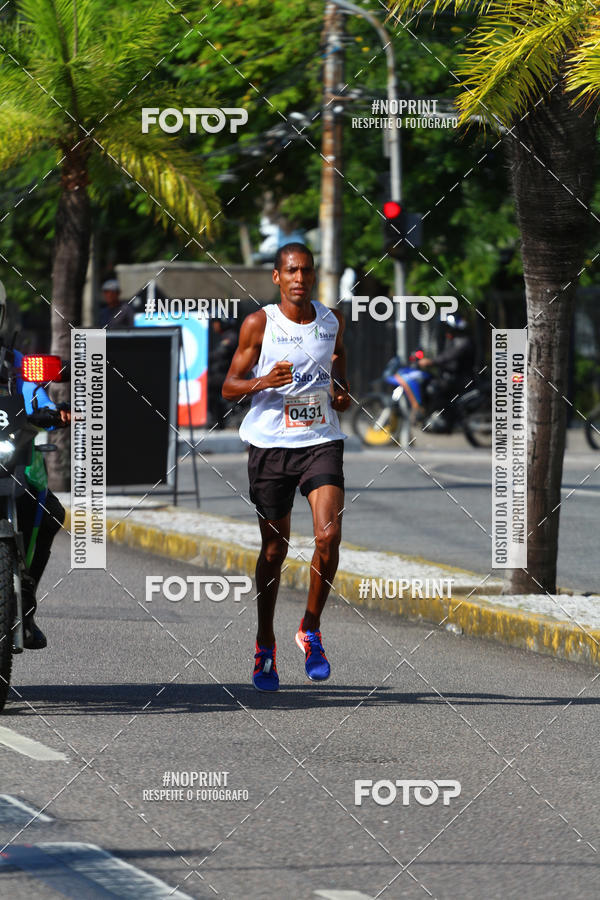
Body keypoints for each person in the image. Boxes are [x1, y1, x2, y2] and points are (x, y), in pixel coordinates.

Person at [222, 243, 351, 692]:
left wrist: (341, 393)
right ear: (277, 277)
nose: (300, 278)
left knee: (328, 537)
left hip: (320, 440)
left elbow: (337, 366)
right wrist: (262, 381)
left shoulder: (331, 321)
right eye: (291, 271)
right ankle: (264, 642)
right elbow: (228, 387)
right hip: (270, 446)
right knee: (274, 551)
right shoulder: (261, 324)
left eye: (307, 271)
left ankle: (310, 628)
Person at [0, 296, 70, 648]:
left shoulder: (19, 365)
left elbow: (39, 399)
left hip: (12, 462)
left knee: (50, 511)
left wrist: (56, 413)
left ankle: (25, 603)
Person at [417, 313, 476, 431]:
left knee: (435, 390)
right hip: (453, 376)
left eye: (447, 328)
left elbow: (448, 357)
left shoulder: (462, 342)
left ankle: (446, 421)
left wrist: (431, 362)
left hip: (461, 378)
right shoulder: (455, 341)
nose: (446, 332)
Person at [208, 318, 238, 429]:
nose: (214, 325)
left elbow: (220, 354)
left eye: (215, 322)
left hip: (229, 376)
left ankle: (215, 419)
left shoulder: (231, 337)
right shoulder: (225, 336)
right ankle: (217, 419)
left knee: (208, 383)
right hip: (223, 375)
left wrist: (204, 357)